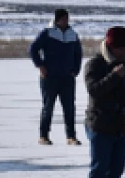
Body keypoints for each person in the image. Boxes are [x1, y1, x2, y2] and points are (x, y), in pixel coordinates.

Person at [83, 26, 125, 178]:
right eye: (120, 48)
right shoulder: (95, 64)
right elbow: (94, 90)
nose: (123, 52)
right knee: (99, 169)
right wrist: (114, 77)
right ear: (111, 47)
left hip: (121, 127)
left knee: (115, 170)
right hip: (100, 125)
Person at [28, 8, 83, 146]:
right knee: (48, 107)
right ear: (57, 19)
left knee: (69, 108)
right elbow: (33, 49)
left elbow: (78, 54)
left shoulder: (73, 35)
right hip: (50, 77)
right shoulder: (48, 33)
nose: (65, 21)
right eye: (63, 18)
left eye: (67, 18)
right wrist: (40, 65)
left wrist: (75, 70)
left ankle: (71, 137)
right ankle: (43, 136)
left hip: (67, 78)